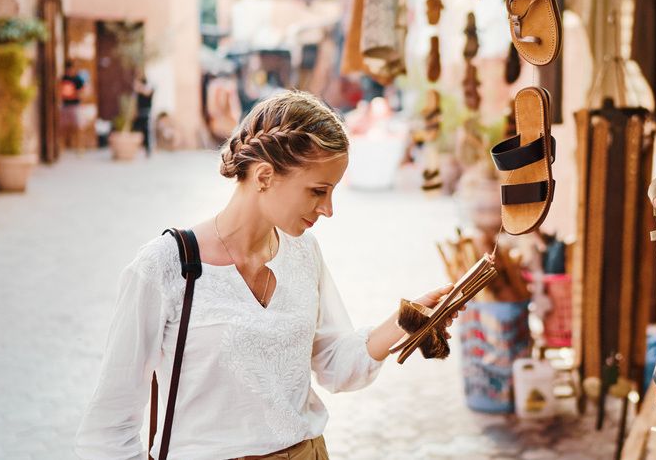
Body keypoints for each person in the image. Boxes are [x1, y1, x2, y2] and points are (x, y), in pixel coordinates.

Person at [75, 90, 458, 459]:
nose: (328, 209)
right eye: (317, 191)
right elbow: (108, 427)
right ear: (264, 176)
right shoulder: (164, 268)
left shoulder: (303, 253)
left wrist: (403, 323)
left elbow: (335, 366)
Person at [132, 75, 154, 156]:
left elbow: (147, 92)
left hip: (146, 114)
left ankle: (148, 149)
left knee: (146, 132)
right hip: (139, 114)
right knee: (135, 130)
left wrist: (138, 86)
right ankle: (137, 147)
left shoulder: (148, 90)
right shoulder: (138, 92)